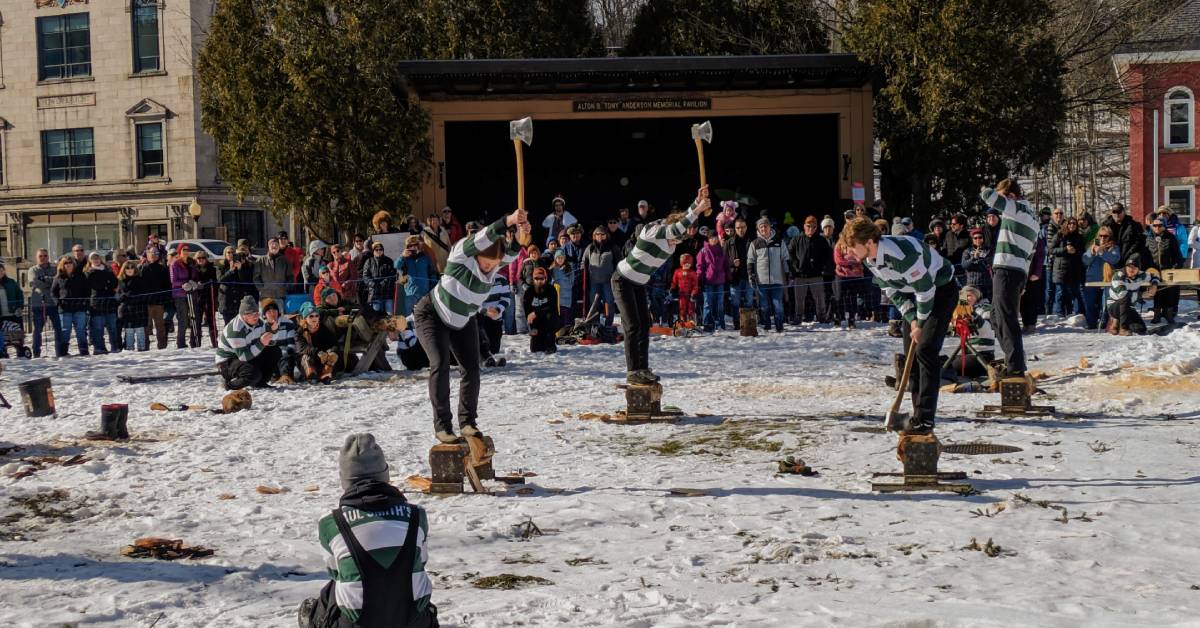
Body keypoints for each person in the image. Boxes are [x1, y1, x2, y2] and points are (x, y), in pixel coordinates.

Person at [297, 433, 437, 628]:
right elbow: (421, 561)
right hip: (413, 621)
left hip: (358, 623)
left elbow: (336, 573)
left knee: (332, 589)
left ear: (345, 480)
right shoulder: (416, 516)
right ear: (385, 475)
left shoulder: (331, 523)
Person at [415, 208, 529, 443]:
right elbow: (485, 235)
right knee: (440, 364)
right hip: (432, 314)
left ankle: (467, 422)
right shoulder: (461, 255)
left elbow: (512, 253)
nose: (489, 268)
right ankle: (443, 426)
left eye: (492, 264)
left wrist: (521, 233)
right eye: (486, 263)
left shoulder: (495, 262)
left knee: (472, 368)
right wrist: (508, 219)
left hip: (463, 318)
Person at [840, 218, 956, 434]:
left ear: (869, 242)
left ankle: (925, 419)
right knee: (910, 357)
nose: (850, 253)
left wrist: (919, 323)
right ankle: (916, 415)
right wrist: (911, 317)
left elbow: (926, 291)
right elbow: (891, 291)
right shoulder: (869, 259)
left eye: (852, 247)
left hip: (939, 291)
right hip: (911, 293)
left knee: (925, 349)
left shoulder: (902, 255)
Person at [612, 187, 710, 384]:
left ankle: (643, 368)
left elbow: (679, 223)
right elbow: (675, 227)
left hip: (639, 284)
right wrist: (697, 210)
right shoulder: (653, 230)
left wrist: (695, 201)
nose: (677, 240)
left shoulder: (671, 244)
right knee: (632, 326)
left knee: (644, 325)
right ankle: (633, 371)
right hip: (622, 280)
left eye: (681, 239)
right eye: (678, 236)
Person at [980, 178, 1039, 378]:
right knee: (997, 317)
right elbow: (1032, 252)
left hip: (1007, 268)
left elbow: (988, 196)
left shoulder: (1015, 208)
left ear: (1011, 196)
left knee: (1006, 318)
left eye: (1004, 196)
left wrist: (986, 187)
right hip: (1018, 270)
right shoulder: (1033, 217)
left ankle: (1015, 366)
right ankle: (1014, 357)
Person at [215, 295, 275, 390]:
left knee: (274, 351)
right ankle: (228, 386)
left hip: (245, 354)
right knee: (253, 373)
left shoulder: (259, 322)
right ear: (244, 315)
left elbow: (269, 341)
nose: (256, 316)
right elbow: (244, 356)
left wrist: (272, 331)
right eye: (251, 314)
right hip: (227, 361)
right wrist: (262, 343)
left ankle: (261, 382)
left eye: (257, 313)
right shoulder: (235, 329)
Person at [788, 216, 833, 324]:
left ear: (816, 227)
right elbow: (790, 254)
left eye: (813, 226)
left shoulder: (821, 240)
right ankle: (798, 317)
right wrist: (796, 266)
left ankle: (822, 317)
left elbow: (827, 256)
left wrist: (821, 267)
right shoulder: (796, 239)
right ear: (804, 226)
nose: (810, 229)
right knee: (799, 299)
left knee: (819, 298)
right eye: (808, 226)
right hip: (800, 275)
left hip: (816, 275)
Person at [945, 285, 995, 380]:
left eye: (970, 295)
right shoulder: (959, 311)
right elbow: (948, 328)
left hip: (982, 356)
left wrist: (973, 317)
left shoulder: (985, 309)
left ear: (976, 297)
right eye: (964, 296)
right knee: (939, 362)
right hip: (966, 354)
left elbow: (988, 325)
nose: (967, 298)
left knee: (947, 368)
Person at [747, 216, 788, 333]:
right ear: (758, 229)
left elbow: (785, 258)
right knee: (764, 306)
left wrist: (788, 273)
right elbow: (750, 260)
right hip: (762, 281)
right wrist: (751, 275)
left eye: (766, 226)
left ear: (770, 227)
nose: (764, 228)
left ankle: (779, 326)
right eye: (761, 227)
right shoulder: (754, 243)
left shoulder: (779, 241)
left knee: (778, 306)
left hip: (777, 280)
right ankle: (767, 325)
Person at [1107, 255, 1159, 335]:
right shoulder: (1118, 276)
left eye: (1134, 267)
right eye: (1129, 266)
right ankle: (1122, 328)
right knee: (1125, 298)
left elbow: (1155, 275)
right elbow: (1122, 294)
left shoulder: (1141, 275)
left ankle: (1117, 323)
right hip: (1114, 306)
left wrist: (1154, 286)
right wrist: (1141, 295)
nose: (1131, 269)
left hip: (1129, 308)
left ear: (1138, 269)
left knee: (1141, 329)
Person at [1146, 215, 1184, 324]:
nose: (1157, 227)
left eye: (1160, 225)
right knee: (1157, 292)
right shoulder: (1148, 239)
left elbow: (1178, 255)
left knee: (1169, 292)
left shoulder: (1170, 238)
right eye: (1155, 225)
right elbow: (1145, 256)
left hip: (1168, 269)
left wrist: (1175, 267)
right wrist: (1147, 269)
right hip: (1154, 271)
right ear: (1152, 226)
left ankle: (1168, 314)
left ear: (1164, 226)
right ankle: (1157, 314)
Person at [1082, 226, 1120, 330]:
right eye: (1101, 236)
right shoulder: (1092, 246)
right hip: (1092, 280)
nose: (1103, 238)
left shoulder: (1114, 247)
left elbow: (1114, 259)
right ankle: (1091, 323)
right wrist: (1093, 252)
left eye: (1105, 236)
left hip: (1107, 280)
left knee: (1106, 304)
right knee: (1089, 303)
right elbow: (1085, 261)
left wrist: (1102, 252)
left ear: (1109, 237)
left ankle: (1104, 322)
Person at [29, 249, 65, 358]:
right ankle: (36, 353)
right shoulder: (32, 270)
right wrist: (49, 281)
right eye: (40, 256)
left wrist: (44, 279)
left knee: (58, 329)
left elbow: (57, 281)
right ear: (37, 257)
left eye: (45, 255)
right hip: (39, 304)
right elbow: (34, 283)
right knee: (37, 330)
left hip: (53, 303)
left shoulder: (55, 268)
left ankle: (60, 352)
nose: (43, 258)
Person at [52, 256, 89, 356]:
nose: (68, 264)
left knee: (81, 330)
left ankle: (84, 351)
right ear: (62, 265)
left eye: (70, 262)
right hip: (65, 309)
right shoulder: (58, 277)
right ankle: (63, 352)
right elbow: (53, 292)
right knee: (65, 331)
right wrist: (58, 303)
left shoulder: (81, 275)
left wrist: (85, 302)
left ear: (74, 264)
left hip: (79, 307)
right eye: (66, 263)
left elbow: (87, 290)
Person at [1049, 217, 1085, 317]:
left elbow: (1083, 252)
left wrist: (1075, 251)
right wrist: (1065, 249)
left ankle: (1077, 314)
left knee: (1075, 292)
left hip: (1074, 269)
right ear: (1066, 224)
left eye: (1074, 223)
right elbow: (1051, 250)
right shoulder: (1059, 235)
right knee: (1060, 293)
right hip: (1061, 268)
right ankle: (1058, 314)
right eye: (1069, 223)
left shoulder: (1079, 237)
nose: (1072, 225)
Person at [85, 252, 120, 354]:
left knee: (112, 327)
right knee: (98, 328)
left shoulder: (108, 271)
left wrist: (107, 286)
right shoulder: (88, 272)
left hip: (110, 301)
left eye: (97, 258)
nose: (96, 260)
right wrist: (105, 285)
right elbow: (93, 286)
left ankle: (115, 346)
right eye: (93, 258)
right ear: (90, 260)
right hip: (96, 303)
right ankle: (99, 348)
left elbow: (114, 283)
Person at [583, 226, 617, 328]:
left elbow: (619, 262)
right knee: (593, 303)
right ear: (594, 236)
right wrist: (582, 265)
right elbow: (584, 260)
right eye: (597, 234)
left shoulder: (612, 247)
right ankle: (595, 323)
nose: (600, 236)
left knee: (609, 302)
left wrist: (615, 275)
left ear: (606, 235)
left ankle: (608, 324)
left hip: (608, 281)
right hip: (594, 281)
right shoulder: (590, 248)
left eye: (602, 234)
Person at [396, 235, 439, 317]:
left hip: (424, 291)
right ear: (407, 247)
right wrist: (402, 256)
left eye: (415, 245)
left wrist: (432, 287)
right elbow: (396, 265)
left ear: (418, 246)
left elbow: (432, 272)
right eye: (410, 245)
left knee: (425, 314)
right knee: (409, 314)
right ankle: (410, 329)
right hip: (410, 291)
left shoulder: (425, 257)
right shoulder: (405, 258)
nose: (413, 247)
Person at [695, 230, 728, 332]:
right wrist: (699, 278)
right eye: (711, 238)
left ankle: (720, 324)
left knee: (720, 304)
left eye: (715, 237)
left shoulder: (722, 250)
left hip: (720, 281)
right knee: (707, 303)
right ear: (708, 239)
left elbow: (726, 265)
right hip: (708, 281)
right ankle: (707, 324)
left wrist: (729, 277)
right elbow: (699, 266)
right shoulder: (703, 251)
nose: (714, 239)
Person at [259, 298, 298, 383]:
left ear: (278, 312)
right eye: (269, 312)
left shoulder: (288, 323)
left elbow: (291, 345)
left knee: (287, 357)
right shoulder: (261, 327)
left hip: (285, 355)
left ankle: (285, 377)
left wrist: (283, 352)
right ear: (264, 315)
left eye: (274, 310)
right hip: (270, 357)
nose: (272, 313)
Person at [723, 219, 754, 328]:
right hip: (735, 277)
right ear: (735, 229)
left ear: (746, 227)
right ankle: (737, 324)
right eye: (738, 228)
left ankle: (748, 325)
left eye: (742, 227)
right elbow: (723, 261)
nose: (740, 230)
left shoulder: (752, 241)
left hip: (749, 276)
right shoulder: (729, 242)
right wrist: (732, 263)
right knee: (735, 303)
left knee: (749, 301)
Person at [140, 246, 171, 349]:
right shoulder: (142, 268)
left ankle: (162, 346)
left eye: (155, 253)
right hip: (146, 303)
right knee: (146, 327)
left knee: (160, 326)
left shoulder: (162, 269)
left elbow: (167, 285)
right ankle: (145, 346)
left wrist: (164, 299)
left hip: (159, 302)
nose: (153, 255)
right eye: (151, 253)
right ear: (147, 255)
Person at [523, 267, 560, 354]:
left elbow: (552, 307)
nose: (539, 281)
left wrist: (536, 312)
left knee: (550, 317)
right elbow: (527, 311)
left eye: (541, 278)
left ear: (546, 279)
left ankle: (551, 344)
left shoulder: (551, 289)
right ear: (533, 279)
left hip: (549, 320)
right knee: (535, 349)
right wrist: (532, 327)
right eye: (536, 278)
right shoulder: (528, 292)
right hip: (536, 322)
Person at [115, 260, 149, 351]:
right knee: (128, 331)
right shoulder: (120, 281)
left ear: (135, 269)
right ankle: (129, 349)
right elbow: (117, 296)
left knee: (140, 330)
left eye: (131, 268)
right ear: (124, 269)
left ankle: (142, 348)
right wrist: (122, 297)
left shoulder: (140, 280)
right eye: (127, 268)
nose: (129, 270)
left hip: (139, 308)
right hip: (126, 310)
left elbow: (144, 294)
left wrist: (133, 296)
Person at [832, 234, 864, 330]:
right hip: (841, 275)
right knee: (839, 297)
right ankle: (838, 318)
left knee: (852, 298)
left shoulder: (856, 245)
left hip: (854, 275)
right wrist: (851, 263)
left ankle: (851, 319)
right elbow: (838, 260)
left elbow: (860, 259)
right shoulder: (839, 246)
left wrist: (852, 262)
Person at [170, 246, 199, 349]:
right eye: (184, 250)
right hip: (180, 295)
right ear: (179, 251)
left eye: (187, 250)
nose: (186, 252)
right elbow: (173, 281)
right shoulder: (175, 264)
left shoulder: (191, 263)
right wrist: (184, 284)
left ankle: (194, 341)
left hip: (192, 293)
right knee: (183, 320)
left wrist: (194, 282)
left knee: (194, 318)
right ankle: (181, 343)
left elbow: (195, 275)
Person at [219, 251, 258, 326]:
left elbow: (245, 283)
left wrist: (240, 269)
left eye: (243, 257)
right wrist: (230, 270)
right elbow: (221, 280)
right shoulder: (222, 266)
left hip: (239, 300)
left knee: (240, 324)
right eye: (228, 253)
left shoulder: (245, 268)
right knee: (228, 325)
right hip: (227, 300)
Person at [361, 242, 398, 315]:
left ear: (383, 250)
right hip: (375, 294)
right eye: (376, 250)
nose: (378, 251)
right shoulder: (369, 261)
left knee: (389, 315)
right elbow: (365, 276)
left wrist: (383, 283)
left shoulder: (389, 261)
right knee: (376, 317)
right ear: (373, 251)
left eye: (380, 249)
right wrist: (372, 284)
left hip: (388, 293)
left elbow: (392, 275)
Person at [192, 250, 219, 348]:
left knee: (211, 320)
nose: (201, 260)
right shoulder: (194, 269)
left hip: (209, 297)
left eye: (203, 258)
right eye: (199, 258)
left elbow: (216, 283)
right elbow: (192, 281)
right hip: (198, 298)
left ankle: (214, 341)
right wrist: (196, 284)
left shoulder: (212, 269)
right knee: (197, 320)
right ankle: (196, 343)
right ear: (196, 259)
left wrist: (211, 283)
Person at [961, 228, 993, 300]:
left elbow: (990, 263)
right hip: (972, 284)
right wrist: (974, 258)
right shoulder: (967, 251)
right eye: (975, 238)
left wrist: (978, 261)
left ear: (983, 238)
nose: (977, 239)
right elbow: (964, 265)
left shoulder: (989, 250)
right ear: (972, 239)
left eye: (980, 237)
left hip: (987, 285)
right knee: (967, 306)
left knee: (988, 307)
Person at [670, 253, 701, 326]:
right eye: (685, 263)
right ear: (681, 263)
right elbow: (674, 282)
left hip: (690, 295)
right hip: (681, 295)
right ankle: (682, 324)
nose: (687, 265)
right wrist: (673, 289)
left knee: (691, 310)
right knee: (682, 310)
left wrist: (693, 293)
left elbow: (695, 285)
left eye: (688, 263)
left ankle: (691, 325)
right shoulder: (677, 272)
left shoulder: (692, 273)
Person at [549, 250, 574, 329]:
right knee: (557, 316)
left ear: (564, 259)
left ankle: (565, 331)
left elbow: (571, 282)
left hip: (566, 297)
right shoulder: (552, 269)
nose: (560, 259)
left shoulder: (569, 268)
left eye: (561, 258)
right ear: (555, 259)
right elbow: (550, 282)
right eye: (558, 258)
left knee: (565, 315)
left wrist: (563, 282)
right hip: (557, 297)